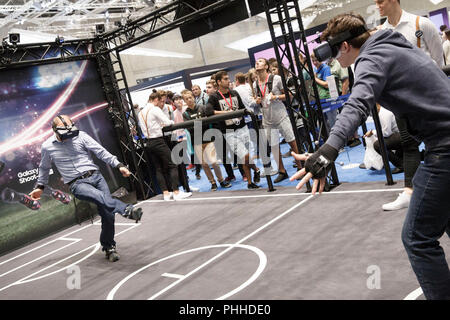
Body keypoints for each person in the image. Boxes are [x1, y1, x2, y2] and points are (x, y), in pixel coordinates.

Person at [291, 13, 450, 300]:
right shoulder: (392, 44)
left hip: (445, 147)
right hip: (442, 142)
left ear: (346, 46)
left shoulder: (371, 58)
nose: (331, 60)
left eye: (331, 50)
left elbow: (357, 104)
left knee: (416, 238)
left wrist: (327, 152)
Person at [29, 115, 143, 262]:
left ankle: (109, 247)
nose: (69, 136)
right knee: (99, 196)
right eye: (65, 134)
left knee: (108, 214)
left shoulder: (81, 136)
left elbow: (100, 151)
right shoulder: (47, 146)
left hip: (96, 177)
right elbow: (44, 168)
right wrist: (40, 186)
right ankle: (126, 210)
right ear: (55, 130)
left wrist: (119, 165)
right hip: (77, 184)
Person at [375, 0, 444, 211]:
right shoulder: (381, 32)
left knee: (439, 143)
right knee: (408, 143)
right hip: (401, 100)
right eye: (375, 1)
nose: (377, 5)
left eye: (381, 1)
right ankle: (409, 191)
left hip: (429, 98)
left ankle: (430, 189)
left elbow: (438, 61)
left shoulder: (421, 25)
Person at [206, 71, 260, 189]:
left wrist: (236, 114)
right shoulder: (214, 97)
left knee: (243, 157)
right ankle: (256, 169)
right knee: (244, 155)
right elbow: (208, 112)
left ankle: (250, 182)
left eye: (228, 78)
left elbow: (241, 108)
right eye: (225, 79)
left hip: (242, 127)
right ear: (219, 82)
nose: (228, 80)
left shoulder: (234, 92)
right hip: (229, 132)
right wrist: (226, 113)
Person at [253, 58, 302, 183]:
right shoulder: (255, 84)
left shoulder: (276, 79)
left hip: (281, 116)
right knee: (274, 146)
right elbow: (258, 100)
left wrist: (276, 97)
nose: (257, 63)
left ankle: (301, 167)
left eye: (260, 61)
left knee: (292, 141)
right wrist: (257, 101)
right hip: (267, 119)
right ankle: (282, 171)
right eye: (256, 62)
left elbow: (289, 95)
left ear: (266, 66)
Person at [138, 91, 192, 201]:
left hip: (148, 142)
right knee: (173, 164)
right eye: (160, 101)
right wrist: (170, 121)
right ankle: (176, 192)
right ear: (156, 100)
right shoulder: (154, 109)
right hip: (158, 140)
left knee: (158, 168)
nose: (161, 104)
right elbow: (167, 122)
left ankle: (166, 193)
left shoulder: (140, 112)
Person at [182, 90, 231, 191]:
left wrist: (197, 125)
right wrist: (199, 124)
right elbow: (189, 128)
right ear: (185, 101)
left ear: (193, 97)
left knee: (214, 162)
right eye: (186, 99)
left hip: (208, 139)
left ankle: (221, 180)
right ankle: (212, 183)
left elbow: (208, 122)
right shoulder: (185, 114)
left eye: (190, 97)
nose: (189, 100)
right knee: (204, 164)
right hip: (196, 141)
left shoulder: (202, 108)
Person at [360, 104, 403, 174]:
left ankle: (401, 165)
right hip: (402, 134)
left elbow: (386, 133)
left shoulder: (384, 113)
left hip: (404, 135)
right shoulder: (383, 110)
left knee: (378, 145)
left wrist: (372, 132)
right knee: (398, 156)